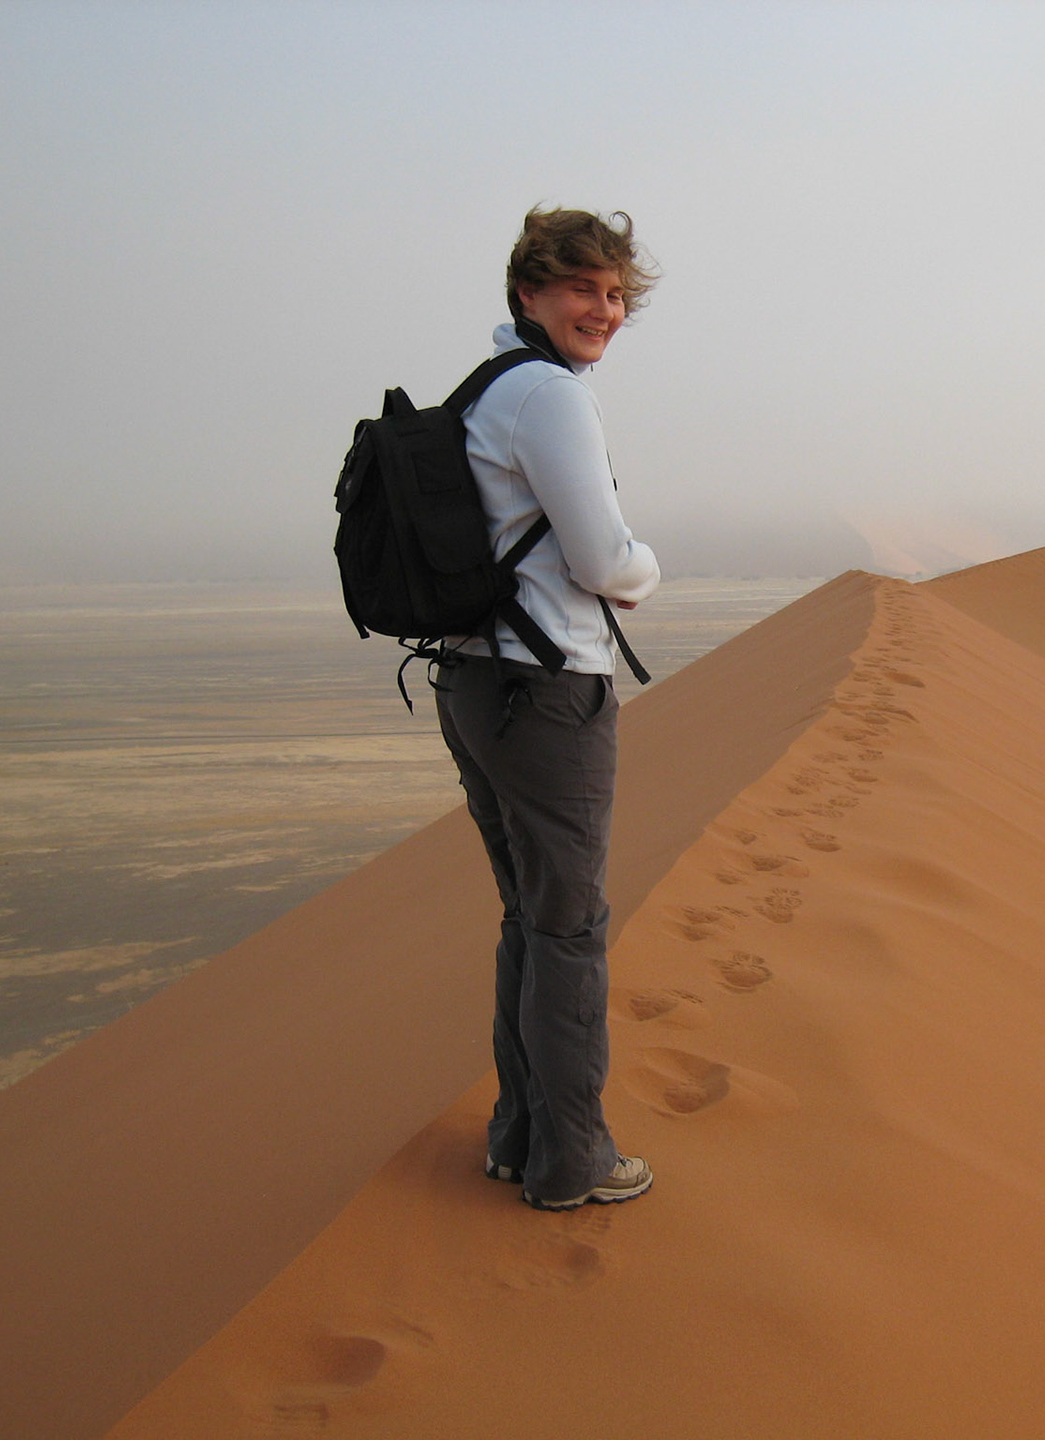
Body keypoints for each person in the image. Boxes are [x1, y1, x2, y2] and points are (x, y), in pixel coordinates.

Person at [434, 206, 661, 1211]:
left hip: (477, 686)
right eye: (581, 287)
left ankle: (518, 1137)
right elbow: (608, 563)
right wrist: (650, 565)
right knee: (568, 930)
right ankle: (572, 1162)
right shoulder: (550, 398)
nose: (602, 310)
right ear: (529, 290)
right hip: (546, 696)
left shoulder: (485, 391)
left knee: (530, 919)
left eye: (615, 295)